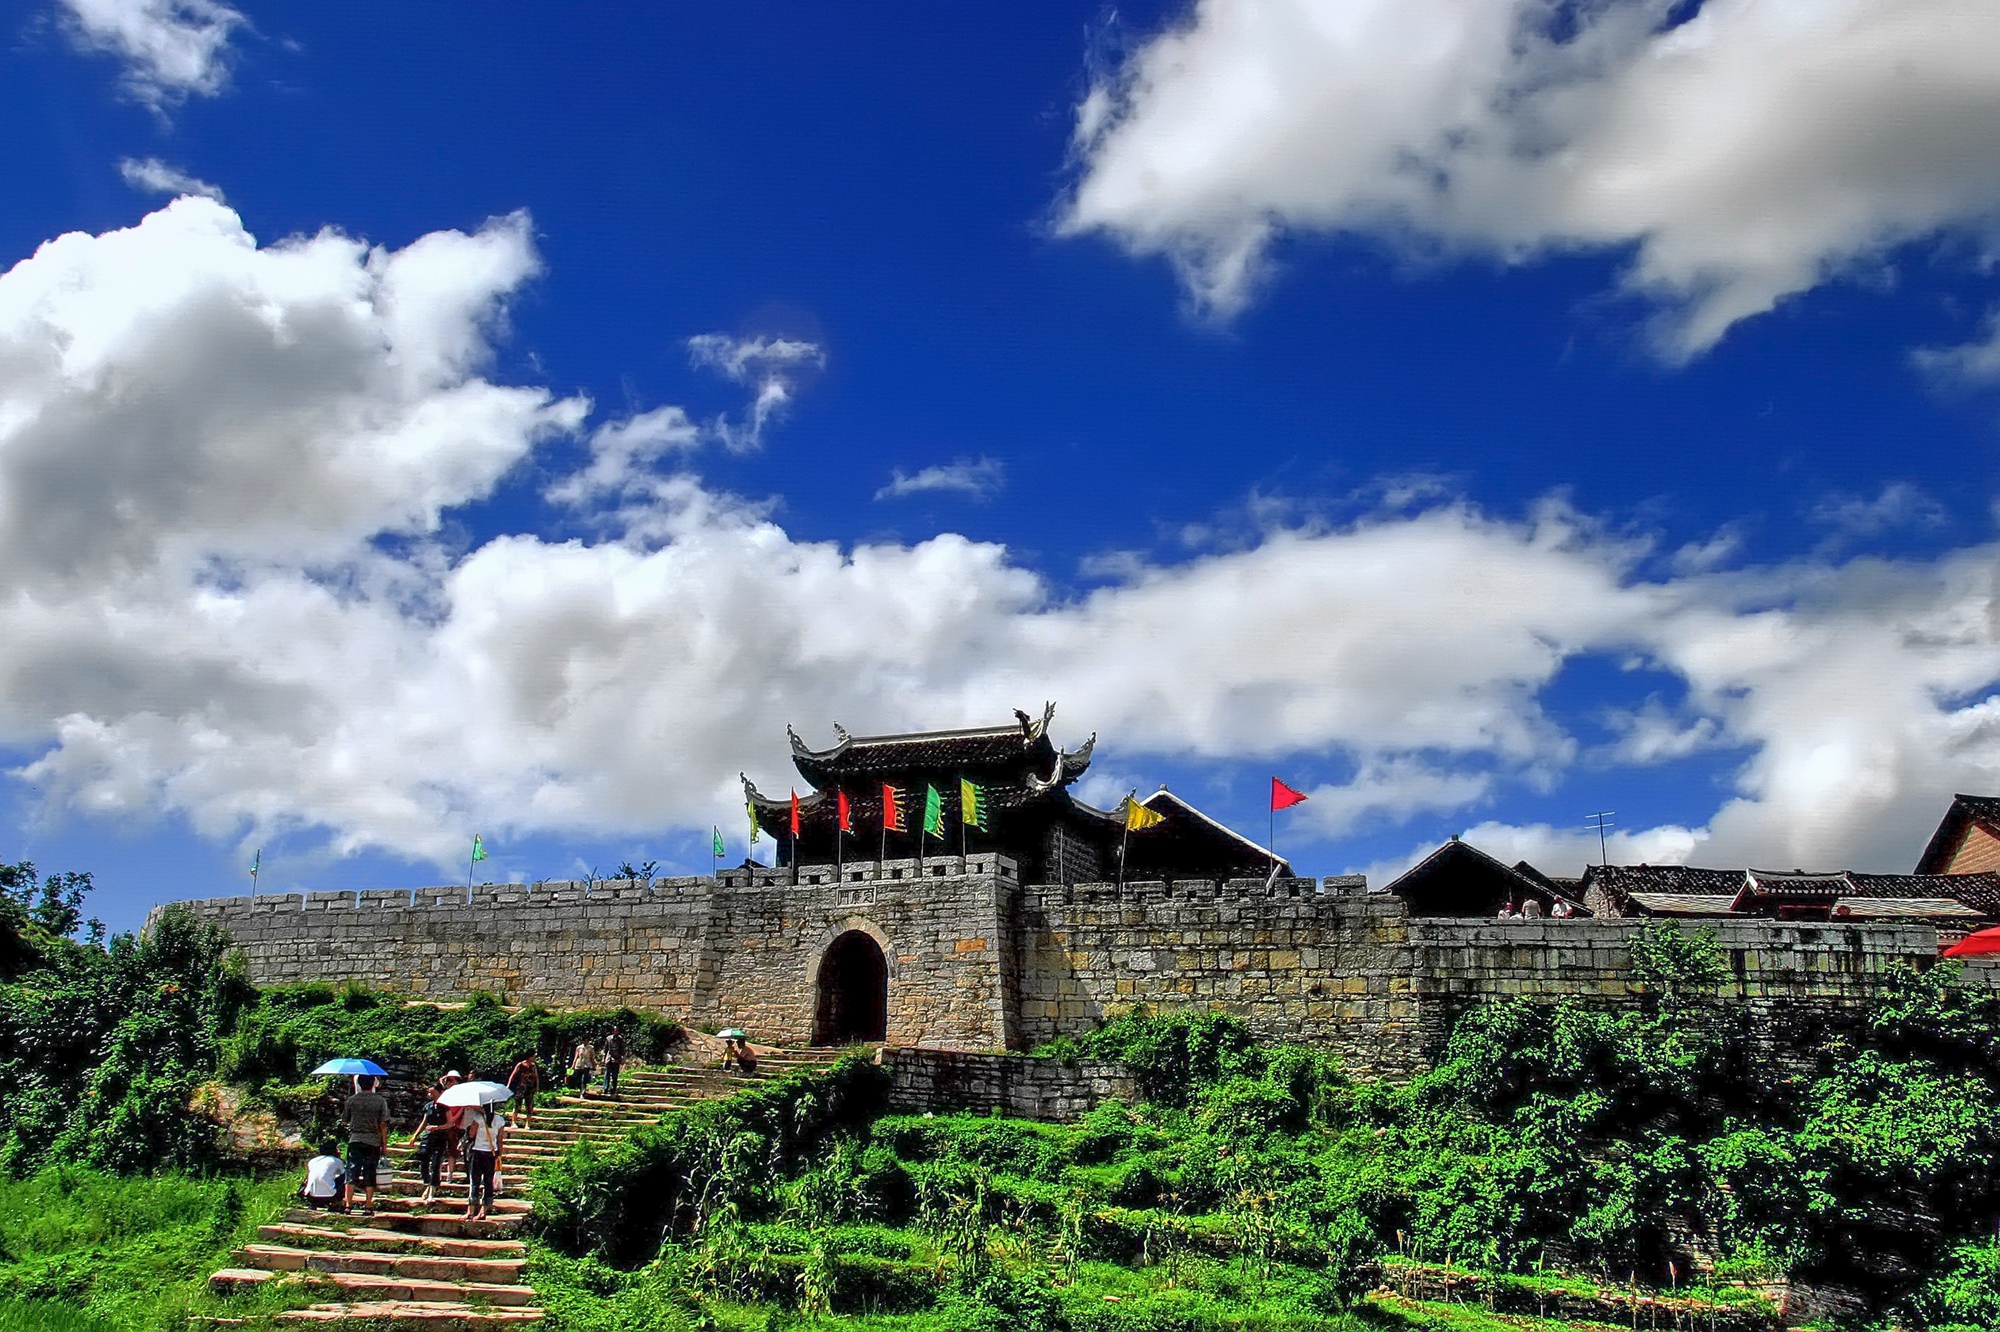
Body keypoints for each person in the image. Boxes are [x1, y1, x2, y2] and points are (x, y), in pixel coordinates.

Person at [341, 1074, 390, 1213]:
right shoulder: (380, 1100)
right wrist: (384, 1144)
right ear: (373, 1083)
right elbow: (383, 1124)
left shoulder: (351, 1100)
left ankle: (348, 1205)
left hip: (355, 1139)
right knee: (370, 1172)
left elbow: (344, 1120)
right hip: (373, 1141)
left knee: (351, 1171)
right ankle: (368, 1206)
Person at [463, 1099, 507, 1222]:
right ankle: (483, 1211)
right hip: (491, 1153)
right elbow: (500, 1140)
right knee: (488, 1182)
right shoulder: (500, 1120)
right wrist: (499, 1155)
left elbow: (472, 1134)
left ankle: (470, 1212)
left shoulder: (478, 1117)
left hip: (477, 1151)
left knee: (475, 1182)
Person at [408, 1085, 452, 1205]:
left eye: (432, 1093)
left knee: (436, 1163)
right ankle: (427, 1183)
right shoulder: (428, 1106)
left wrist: (437, 1127)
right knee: (423, 1158)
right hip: (428, 1137)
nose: (429, 1095)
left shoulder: (445, 1107)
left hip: (440, 1137)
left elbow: (450, 1123)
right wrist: (415, 1135)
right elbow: (424, 1122)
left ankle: (432, 1189)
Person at [301, 1142, 348, 1211]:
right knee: (345, 1176)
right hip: (329, 1196)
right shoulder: (337, 1161)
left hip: (311, 1195)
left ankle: (313, 1204)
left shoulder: (312, 1161)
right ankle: (335, 1203)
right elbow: (343, 1173)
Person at [506, 1052, 542, 1126]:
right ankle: (513, 1122)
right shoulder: (520, 1064)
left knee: (529, 1106)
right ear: (529, 1057)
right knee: (517, 1105)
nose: (534, 1058)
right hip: (521, 1087)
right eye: (533, 1056)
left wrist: (537, 1086)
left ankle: (527, 1124)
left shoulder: (533, 1066)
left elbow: (536, 1077)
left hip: (530, 1088)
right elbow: (513, 1075)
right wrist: (508, 1085)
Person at [600, 1027, 625, 1100]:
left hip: (616, 1059)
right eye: (615, 1030)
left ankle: (613, 1088)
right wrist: (603, 1058)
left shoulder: (620, 1039)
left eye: (617, 1030)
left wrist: (622, 1058)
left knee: (614, 1075)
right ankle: (605, 1088)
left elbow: (622, 1050)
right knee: (607, 1074)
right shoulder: (608, 1038)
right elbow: (605, 1049)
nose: (616, 1032)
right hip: (609, 1058)